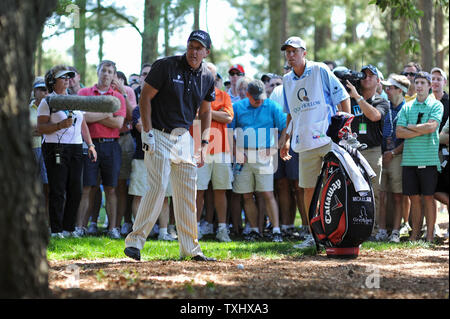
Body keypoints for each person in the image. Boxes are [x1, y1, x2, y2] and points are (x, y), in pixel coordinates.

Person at [124, 30, 216, 261]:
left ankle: (191, 249)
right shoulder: (165, 66)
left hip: (183, 137)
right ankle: (135, 242)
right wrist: (147, 131)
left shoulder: (207, 76)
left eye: (199, 48)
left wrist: (204, 143)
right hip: (158, 133)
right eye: (191, 46)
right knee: (157, 188)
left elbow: (206, 111)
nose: (194, 52)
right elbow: (145, 97)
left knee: (187, 194)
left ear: (206, 52)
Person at [280, 36, 350, 249]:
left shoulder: (320, 70)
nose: (291, 55)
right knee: (308, 189)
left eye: (295, 51)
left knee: (337, 187)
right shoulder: (286, 80)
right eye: (288, 52)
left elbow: (343, 96)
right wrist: (286, 138)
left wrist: (345, 129)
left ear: (304, 53)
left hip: (328, 139)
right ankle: (314, 237)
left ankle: (340, 233)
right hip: (304, 141)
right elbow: (291, 113)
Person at [37, 65, 97, 238]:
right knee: (57, 189)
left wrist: (90, 145)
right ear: (52, 81)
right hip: (55, 147)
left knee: (76, 189)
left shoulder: (75, 100)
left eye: (69, 77)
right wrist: (59, 126)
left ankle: (68, 229)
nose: (67, 80)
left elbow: (83, 124)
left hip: (77, 148)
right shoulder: (47, 101)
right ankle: (56, 230)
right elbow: (40, 127)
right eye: (62, 77)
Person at [231, 79, 286, 242]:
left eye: (261, 97)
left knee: (268, 193)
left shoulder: (272, 106)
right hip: (244, 156)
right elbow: (228, 132)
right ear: (247, 95)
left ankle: (276, 230)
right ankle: (254, 230)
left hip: (264, 154)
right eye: (255, 98)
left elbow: (285, 129)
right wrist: (236, 152)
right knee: (247, 195)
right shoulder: (238, 108)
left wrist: (275, 148)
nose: (259, 101)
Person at [76, 60, 127, 239]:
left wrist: (93, 116)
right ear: (97, 72)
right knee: (87, 187)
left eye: (110, 71)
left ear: (114, 75)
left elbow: (118, 123)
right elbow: (81, 118)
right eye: (103, 70)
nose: (106, 74)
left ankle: (113, 228)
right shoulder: (85, 93)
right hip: (90, 144)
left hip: (111, 145)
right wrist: (106, 114)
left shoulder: (118, 97)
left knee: (111, 188)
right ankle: (80, 227)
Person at [396, 71, 444, 242]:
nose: (419, 86)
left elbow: (432, 128)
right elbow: (399, 132)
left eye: (423, 82)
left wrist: (411, 127)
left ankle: (430, 235)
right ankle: (415, 235)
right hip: (409, 159)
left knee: (429, 197)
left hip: (429, 159)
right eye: (417, 83)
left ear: (430, 86)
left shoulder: (436, 105)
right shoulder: (407, 107)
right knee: (414, 198)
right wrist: (419, 129)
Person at [345, 64, 390, 235]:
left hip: (372, 151)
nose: (367, 77)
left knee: (374, 192)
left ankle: (374, 230)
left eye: (372, 75)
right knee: (353, 190)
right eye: (364, 75)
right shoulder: (349, 99)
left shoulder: (381, 101)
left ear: (379, 81)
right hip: (352, 151)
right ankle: (355, 227)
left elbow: (374, 116)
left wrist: (357, 97)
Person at [193, 62, 234, 242]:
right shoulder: (192, 93)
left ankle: (222, 229)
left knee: (220, 190)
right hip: (197, 148)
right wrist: (214, 112)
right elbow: (191, 115)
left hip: (221, 149)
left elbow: (228, 117)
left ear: (215, 77)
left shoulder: (223, 95)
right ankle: (193, 229)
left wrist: (205, 111)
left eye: (211, 74)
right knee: (198, 191)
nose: (208, 76)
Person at [377, 74, 411, 242]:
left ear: (400, 90)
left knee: (398, 196)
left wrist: (394, 153)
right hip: (383, 156)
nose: (386, 90)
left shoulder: (408, 109)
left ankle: (396, 231)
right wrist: (384, 154)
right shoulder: (385, 107)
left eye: (390, 88)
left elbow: (409, 138)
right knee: (381, 194)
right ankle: (382, 230)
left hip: (398, 156)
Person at [113, 71, 138, 237]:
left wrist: (122, 92)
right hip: (105, 138)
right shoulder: (97, 92)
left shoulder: (128, 91)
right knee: (104, 186)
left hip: (125, 138)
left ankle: (124, 223)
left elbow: (131, 116)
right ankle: (109, 224)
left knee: (123, 185)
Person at [30, 77, 49, 224]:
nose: (44, 92)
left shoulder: (52, 108)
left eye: (46, 89)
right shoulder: (27, 108)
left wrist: (41, 129)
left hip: (48, 149)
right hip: (31, 149)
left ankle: (46, 220)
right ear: (34, 91)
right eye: (41, 89)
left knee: (47, 186)